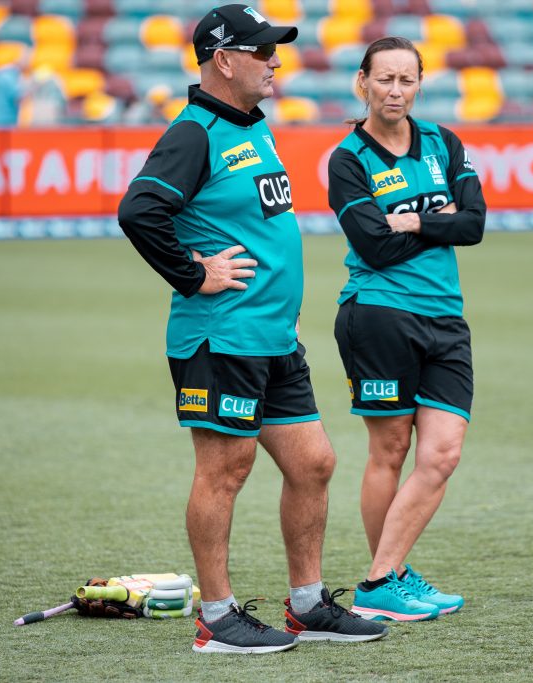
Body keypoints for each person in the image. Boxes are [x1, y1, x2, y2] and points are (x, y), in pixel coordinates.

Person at [117, 4, 388, 655]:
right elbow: (140, 209)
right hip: (220, 336)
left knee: (315, 461)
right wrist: (192, 273)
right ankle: (216, 616)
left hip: (272, 338)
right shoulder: (194, 133)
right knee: (225, 468)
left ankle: (306, 604)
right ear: (223, 59)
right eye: (263, 50)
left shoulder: (251, 126)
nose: (274, 61)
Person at [326, 36, 486, 622]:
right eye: (385, 79)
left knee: (442, 453)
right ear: (362, 82)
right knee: (390, 451)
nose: (396, 91)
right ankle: (384, 578)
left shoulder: (444, 142)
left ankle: (380, 577)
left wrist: (412, 219)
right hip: (378, 314)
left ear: (420, 84)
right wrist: (438, 220)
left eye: (407, 80)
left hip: (445, 316)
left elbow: (473, 226)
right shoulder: (348, 160)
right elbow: (371, 244)